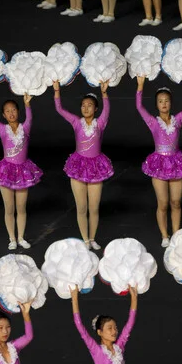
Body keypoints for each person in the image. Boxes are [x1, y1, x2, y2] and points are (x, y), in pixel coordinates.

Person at [0, 92, 42, 249]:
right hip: (6, 171)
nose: (11, 113)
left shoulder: (25, 127)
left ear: (18, 112)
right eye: (7, 111)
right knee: (9, 208)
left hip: (23, 171)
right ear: (3, 115)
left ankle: (21, 237)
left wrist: (27, 104)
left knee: (21, 207)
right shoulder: (2, 128)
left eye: (13, 110)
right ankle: (12, 238)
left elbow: (30, 118)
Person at [135, 77, 182, 245]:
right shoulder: (153, 122)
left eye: (166, 101)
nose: (164, 104)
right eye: (160, 101)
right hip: (159, 164)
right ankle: (164, 236)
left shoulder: (177, 120)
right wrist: (140, 85)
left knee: (175, 202)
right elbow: (139, 107)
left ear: (170, 103)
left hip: (176, 163)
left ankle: (176, 235)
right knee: (162, 203)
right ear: (156, 104)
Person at [54, 80, 112, 249]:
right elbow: (59, 109)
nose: (86, 108)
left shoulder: (100, 123)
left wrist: (104, 93)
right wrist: (57, 91)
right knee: (81, 207)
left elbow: (107, 110)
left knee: (94, 208)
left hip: (96, 167)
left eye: (90, 105)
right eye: (83, 105)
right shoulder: (76, 122)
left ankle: (93, 238)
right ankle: (85, 240)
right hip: (78, 166)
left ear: (95, 109)